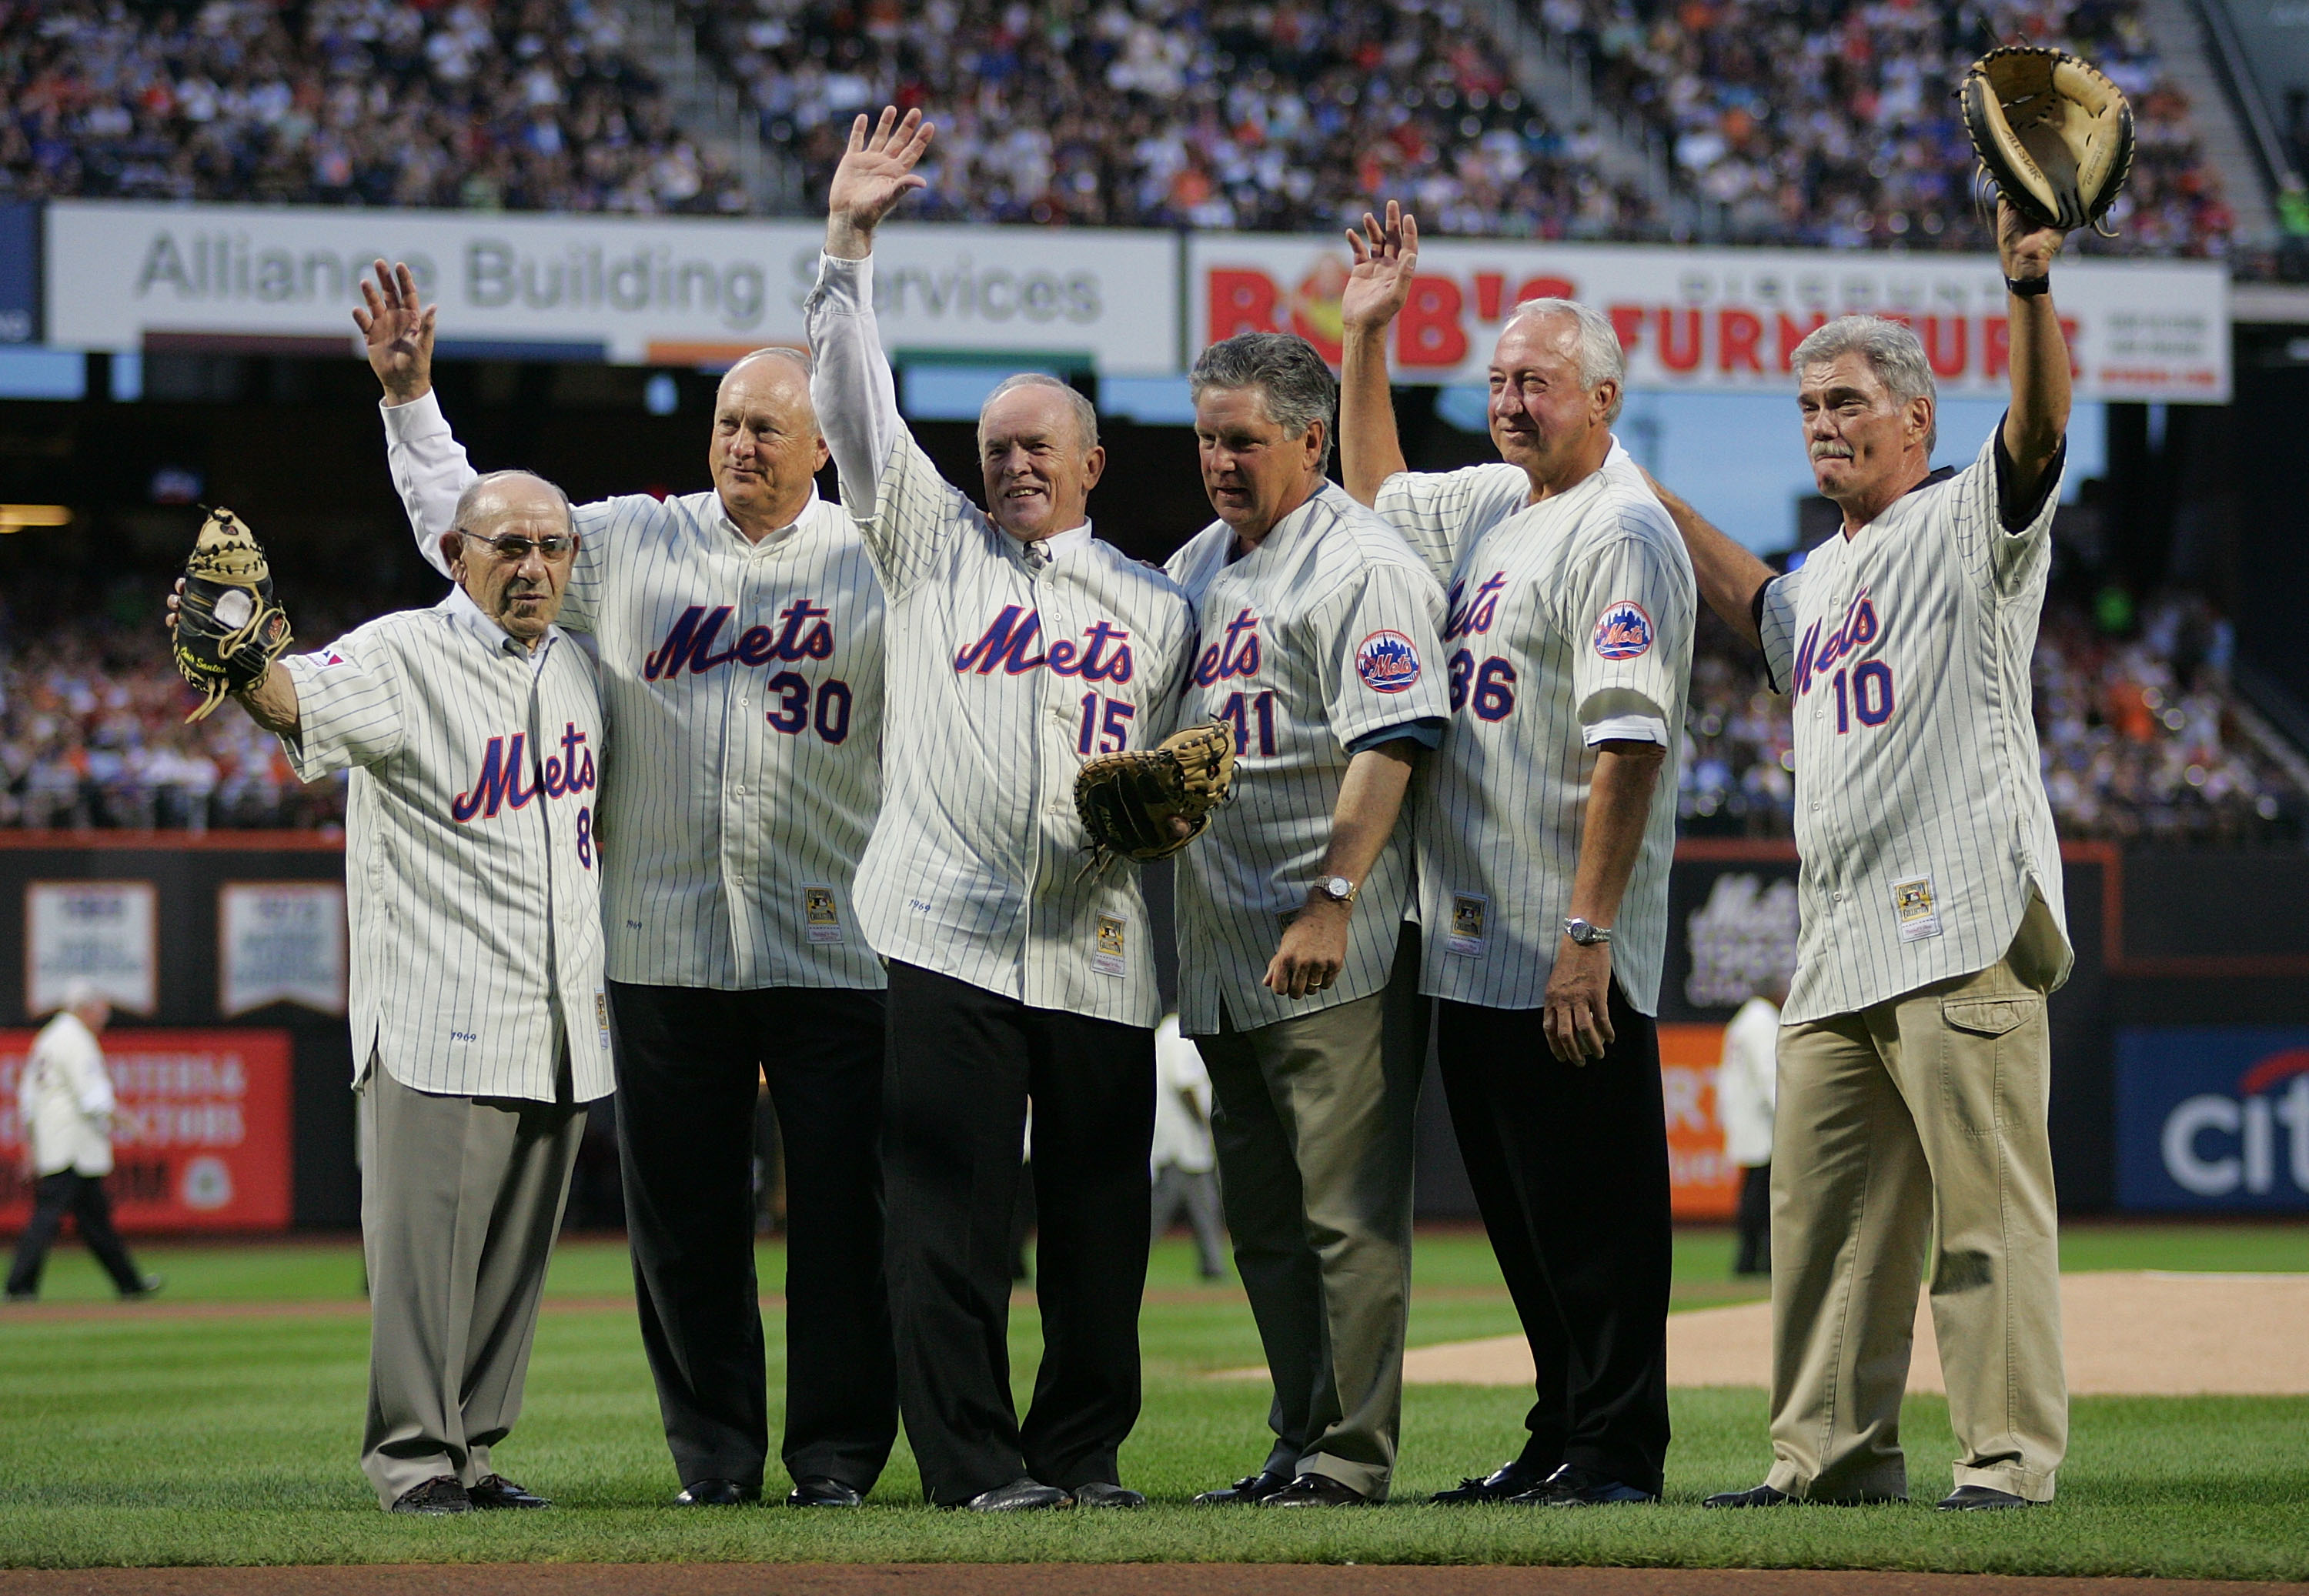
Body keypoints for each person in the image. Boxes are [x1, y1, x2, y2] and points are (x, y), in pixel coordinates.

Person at [355, 259, 895, 1510]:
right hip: (661, 943)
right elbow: (478, 531)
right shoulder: (639, 538)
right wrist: (412, 405)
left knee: (843, 1226)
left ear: (820, 441)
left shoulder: (876, 556)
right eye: (725, 422)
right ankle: (714, 1458)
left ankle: (835, 1456)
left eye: (766, 423)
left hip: (835, 945)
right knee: (687, 1226)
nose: (740, 440)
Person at [1647, 198, 2077, 1512]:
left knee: (1986, 1218)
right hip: (1836, 946)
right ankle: (1828, 1458)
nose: (1824, 422)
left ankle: (2005, 1462)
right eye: (1808, 406)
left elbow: (2041, 431)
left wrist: (2025, 292)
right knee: (1825, 1227)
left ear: (1916, 422)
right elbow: (1749, 597)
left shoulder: (1968, 525)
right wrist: (1627, 477)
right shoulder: (1824, 583)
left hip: (1959, 916)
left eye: (1846, 401)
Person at [806, 107, 1197, 1511]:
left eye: (1041, 445)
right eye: (996, 446)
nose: (1015, 463)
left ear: (1093, 461)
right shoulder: (928, 547)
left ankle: (1081, 1453)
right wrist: (848, 246)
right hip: (950, 933)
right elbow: (854, 410)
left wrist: (1163, 815)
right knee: (944, 1227)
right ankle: (973, 1464)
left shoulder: (1161, 607)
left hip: (1097, 944)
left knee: (1100, 1229)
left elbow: (1181, 776)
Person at [1338, 203, 1694, 1509]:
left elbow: (1631, 740)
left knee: (1594, 1215)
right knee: (1526, 1218)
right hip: (1472, 937)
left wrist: (1588, 933)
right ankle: (1561, 1430)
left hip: (1560, 934)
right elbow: (1378, 495)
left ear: (1602, 397)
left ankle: (1615, 1451)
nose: (1508, 399)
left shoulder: (1623, 526)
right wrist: (1365, 339)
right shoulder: (1499, 502)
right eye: (1495, 379)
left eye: (1534, 379)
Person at [206, 472, 612, 1514]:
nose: (533, 567)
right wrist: (248, 665)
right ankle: (413, 1458)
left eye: (553, 547)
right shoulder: (401, 652)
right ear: (454, 552)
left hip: (560, 1018)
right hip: (438, 1010)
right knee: (424, 1263)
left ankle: (471, 1450)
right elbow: (301, 696)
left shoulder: (580, 670)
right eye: (508, 546)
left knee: (511, 1269)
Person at [1165, 331, 1448, 1509]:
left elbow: (1394, 736)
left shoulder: (1361, 561)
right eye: (1207, 438)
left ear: (1310, 439)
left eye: (1245, 439)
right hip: (1226, 948)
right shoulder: (1194, 562)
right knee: (1269, 1227)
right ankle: (1297, 1434)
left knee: (1344, 1219)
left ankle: (1352, 1454)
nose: (1222, 460)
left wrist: (1334, 896)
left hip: (1331, 939)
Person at [6, 982, 161, 1304]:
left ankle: (129, 1284)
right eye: (102, 1010)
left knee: (94, 1221)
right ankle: (18, 1287)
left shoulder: (48, 1037)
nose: (105, 1018)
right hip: (73, 1145)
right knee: (50, 1216)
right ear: (85, 1008)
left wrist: (31, 1142)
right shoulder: (77, 1040)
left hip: (59, 1142)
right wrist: (132, 1124)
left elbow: (28, 1099)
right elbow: (93, 1098)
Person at [1717, 974, 1786, 1278]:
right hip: (1763, 1121)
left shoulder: (1745, 1019)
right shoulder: (1762, 1021)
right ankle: (1757, 1261)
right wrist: (1786, 1113)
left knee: (1754, 1192)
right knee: (1763, 1193)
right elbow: (1768, 1073)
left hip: (1748, 1118)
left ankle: (1749, 1259)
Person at [1149, 1013, 1225, 1281]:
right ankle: (1125, 1262)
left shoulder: (1166, 1030)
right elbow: (1185, 1085)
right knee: (1160, 1207)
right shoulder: (1180, 1030)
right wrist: (1207, 1127)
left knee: (1204, 1205)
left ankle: (1214, 1267)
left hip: (1175, 1138)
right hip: (1181, 1139)